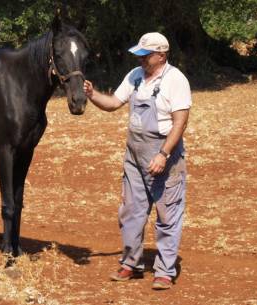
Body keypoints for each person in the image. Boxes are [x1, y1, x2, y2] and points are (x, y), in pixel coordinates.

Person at [83, 32, 191, 290]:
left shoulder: (176, 80)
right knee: (131, 211)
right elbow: (112, 103)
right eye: (140, 55)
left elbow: (180, 122)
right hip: (134, 156)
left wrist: (163, 154)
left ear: (161, 55)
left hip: (165, 156)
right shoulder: (134, 76)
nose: (141, 59)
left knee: (168, 214)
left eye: (146, 55)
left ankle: (164, 271)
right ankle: (131, 263)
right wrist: (92, 93)